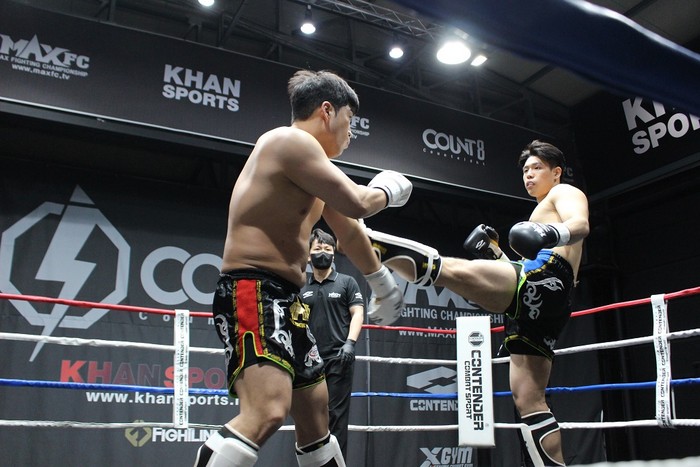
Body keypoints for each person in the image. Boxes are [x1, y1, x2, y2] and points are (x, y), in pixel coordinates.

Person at [194, 69, 410, 467]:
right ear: (327, 111)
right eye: (350, 120)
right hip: (253, 288)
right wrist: (391, 188)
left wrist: (382, 283)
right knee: (267, 411)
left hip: (287, 299)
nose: (351, 132)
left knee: (315, 417)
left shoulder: (312, 167)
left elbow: (350, 230)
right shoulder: (288, 141)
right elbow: (360, 203)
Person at [364, 140, 589, 467]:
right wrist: (498, 256)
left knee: (453, 271)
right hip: (548, 299)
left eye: (537, 168)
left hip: (547, 278)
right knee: (529, 400)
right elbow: (526, 277)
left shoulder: (564, 191)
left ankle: (369, 242)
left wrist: (549, 234)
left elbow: (580, 225)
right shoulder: (542, 209)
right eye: (525, 170)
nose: (528, 175)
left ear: (556, 172)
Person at [300, 228, 364, 461]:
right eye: (318, 249)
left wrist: (350, 343)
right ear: (308, 255)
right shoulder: (301, 288)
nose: (323, 253)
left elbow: (358, 313)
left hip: (339, 357)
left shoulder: (347, 283)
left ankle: (337, 464)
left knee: (336, 416)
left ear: (334, 254)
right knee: (311, 417)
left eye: (328, 249)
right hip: (309, 361)